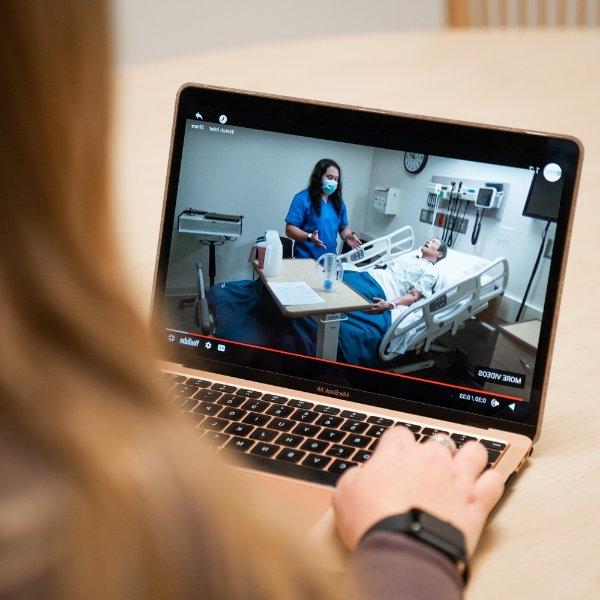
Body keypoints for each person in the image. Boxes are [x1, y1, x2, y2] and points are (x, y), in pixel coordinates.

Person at [0, 3, 504, 600]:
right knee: (283, 292)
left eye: (433, 249)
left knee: (299, 301)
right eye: (427, 247)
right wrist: (413, 552)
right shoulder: (71, 519)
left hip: (376, 285)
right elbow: (298, 230)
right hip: (356, 278)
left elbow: (354, 240)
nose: (427, 248)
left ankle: (263, 318)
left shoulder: (409, 257)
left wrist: (363, 250)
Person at [285, 158, 362, 258]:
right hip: (305, 260)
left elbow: (343, 228)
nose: (333, 182)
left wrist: (348, 236)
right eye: (330, 177)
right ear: (319, 177)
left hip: (329, 259)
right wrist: (309, 237)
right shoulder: (302, 198)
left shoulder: (338, 202)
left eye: (336, 179)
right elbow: (290, 229)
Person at [366, 238, 448, 314]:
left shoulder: (431, 272)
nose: (428, 241)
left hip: (382, 287)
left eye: (433, 242)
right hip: (370, 275)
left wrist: (390, 304)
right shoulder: (412, 258)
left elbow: (414, 296)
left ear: (440, 254)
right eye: (429, 240)